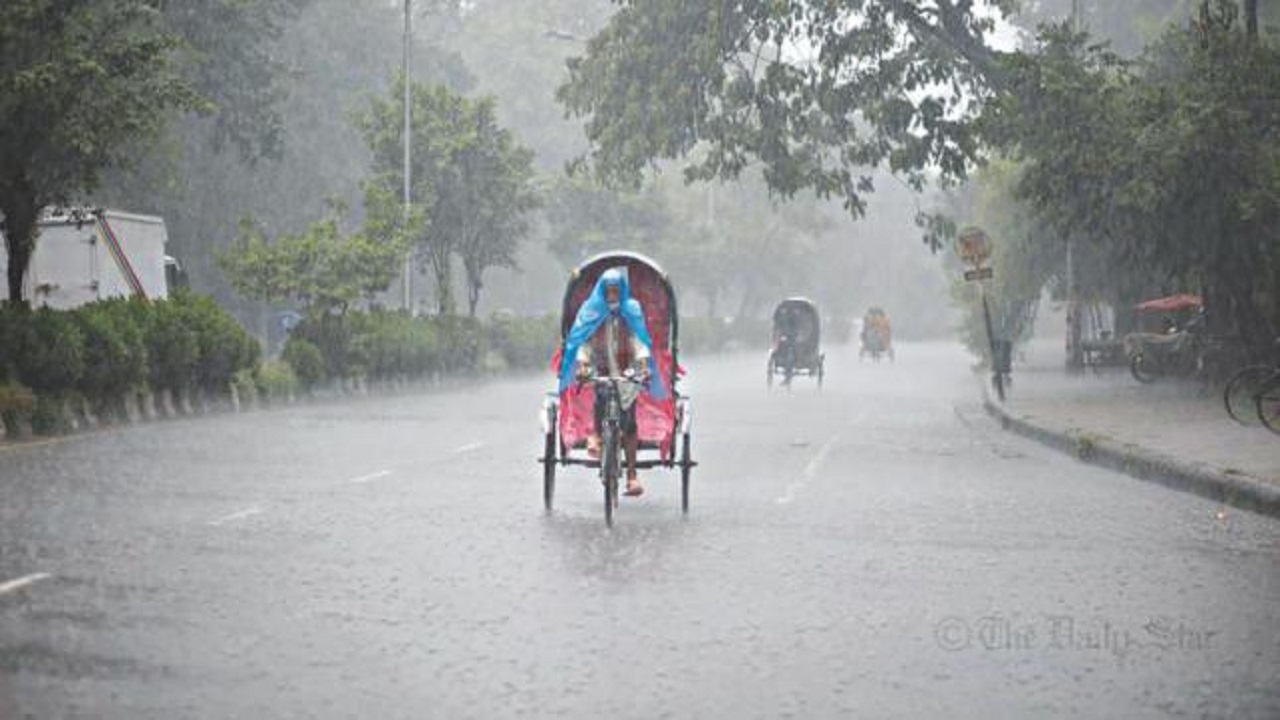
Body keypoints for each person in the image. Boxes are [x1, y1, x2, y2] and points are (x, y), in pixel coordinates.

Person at [557, 268, 663, 497]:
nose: (612, 296)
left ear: (622, 291)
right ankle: (595, 435)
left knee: (631, 423)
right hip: (601, 367)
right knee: (601, 397)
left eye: (616, 291)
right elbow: (583, 341)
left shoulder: (631, 309)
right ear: (602, 291)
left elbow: (639, 339)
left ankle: (632, 476)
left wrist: (643, 363)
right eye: (609, 291)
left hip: (627, 371)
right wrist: (584, 364)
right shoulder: (591, 309)